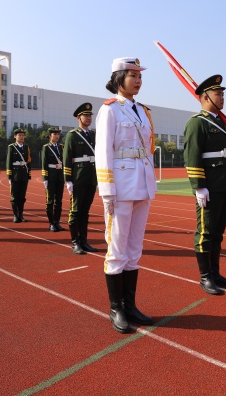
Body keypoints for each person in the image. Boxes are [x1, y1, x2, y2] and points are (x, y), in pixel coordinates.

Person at [96, 57, 157, 333]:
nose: (138, 79)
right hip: (120, 185)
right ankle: (116, 308)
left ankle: (130, 305)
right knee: (117, 248)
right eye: (132, 75)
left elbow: (148, 148)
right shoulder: (110, 110)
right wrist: (107, 191)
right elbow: (103, 153)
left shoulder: (143, 111)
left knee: (134, 249)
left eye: (140, 75)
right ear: (118, 78)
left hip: (142, 184)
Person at [183, 74, 226, 295]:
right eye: (218, 94)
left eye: (223, 93)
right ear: (205, 97)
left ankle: (216, 273)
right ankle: (205, 277)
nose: (222, 97)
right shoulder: (197, 123)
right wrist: (199, 186)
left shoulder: (222, 123)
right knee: (205, 232)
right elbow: (192, 156)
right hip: (209, 185)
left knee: (218, 232)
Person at [63, 103, 99, 255]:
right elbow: (67, 157)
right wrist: (68, 180)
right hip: (78, 177)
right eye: (86, 115)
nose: (89, 118)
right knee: (75, 211)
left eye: (90, 115)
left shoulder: (93, 135)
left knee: (85, 211)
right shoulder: (72, 135)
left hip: (91, 178)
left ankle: (84, 241)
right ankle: (75, 242)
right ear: (79, 118)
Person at [41, 127, 65, 232]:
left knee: (58, 201)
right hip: (50, 176)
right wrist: (45, 178)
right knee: (50, 201)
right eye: (54, 134)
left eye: (58, 134)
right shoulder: (46, 147)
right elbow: (44, 163)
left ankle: (57, 222)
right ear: (50, 136)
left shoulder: (61, 147)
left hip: (60, 176)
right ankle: (51, 223)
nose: (57, 136)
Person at [6, 128, 31, 222]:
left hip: (24, 174)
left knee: (22, 196)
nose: (21, 137)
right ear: (15, 136)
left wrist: (28, 175)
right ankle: (15, 215)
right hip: (15, 175)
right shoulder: (11, 147)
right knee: (14, 196)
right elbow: (9, 162)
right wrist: (9, 176)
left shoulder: (26, 147)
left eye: (22, 135)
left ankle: (21, 215)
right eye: (19, 135)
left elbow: (28, 162)